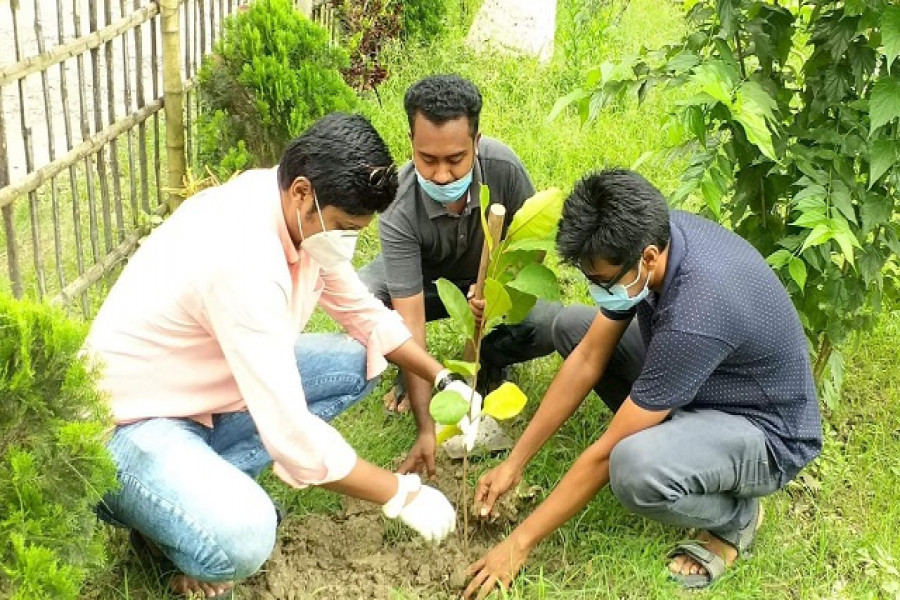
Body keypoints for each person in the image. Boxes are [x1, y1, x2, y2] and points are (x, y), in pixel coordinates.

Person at [86, 113, 479, 599]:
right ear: (301, 192)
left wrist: (443, 378)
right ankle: (176, 533)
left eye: (358, 230)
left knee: (357, 364)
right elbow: (293, 435)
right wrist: (401, 495)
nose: (348, 241)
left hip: (201, 395)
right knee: (246, 536)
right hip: (128, 429)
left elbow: (364, 314)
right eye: (343, 226)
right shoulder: (243, 261)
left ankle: (199, 483)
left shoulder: (291, 212)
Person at [463, 169, 823, 598]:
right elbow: (588, 358)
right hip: (707, 380)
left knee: (633, 467)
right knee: (574, 327)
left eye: (601, 281)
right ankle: (669, 427)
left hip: (766, 434)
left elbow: (602, 457)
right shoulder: (654, 237)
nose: (596, 289)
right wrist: (514, 463)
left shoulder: (697, 312)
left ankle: (734, 519)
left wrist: (518, 544)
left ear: (647, 258)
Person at [359, 74, 562, 430]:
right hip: (426, 285)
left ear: (477, 142)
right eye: (427, 159)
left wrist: (498, 290)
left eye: (455, 159)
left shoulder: (505, 171)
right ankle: (410, 371)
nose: (441, 175)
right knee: (365, 298)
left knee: (548, 323)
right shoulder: (397, 203)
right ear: (410, 142)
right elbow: (411, 316)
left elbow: (532, 253)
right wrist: (427, 423)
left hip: (488, 277)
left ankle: (490, 360)